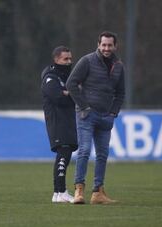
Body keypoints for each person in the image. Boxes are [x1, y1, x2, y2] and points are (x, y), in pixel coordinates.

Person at [66, 31, 125, 204]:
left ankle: (98, 193)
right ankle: (79, 191)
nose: (106, 48)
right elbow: (71, 83)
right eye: (104, 45)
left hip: (106, 117)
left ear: (115, 46)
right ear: (98, 44)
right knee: (84, 151)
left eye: (110, 45)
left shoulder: (119, 65)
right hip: (86, 115)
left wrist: (113, 112)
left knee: (103, 155)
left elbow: (121, 93)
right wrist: (84, 106)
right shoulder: (87, 61)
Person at [41, 46, 78, 203]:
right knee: (63, 153)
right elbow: (58, 97)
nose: (69, 62)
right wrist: (71, 93)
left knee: (65, 153)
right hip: (57, 121)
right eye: (65, 59)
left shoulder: (66, 76)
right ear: (56, 60)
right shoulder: (50, 78)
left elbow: (74, 92)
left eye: (70, 59)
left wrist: (68, 92)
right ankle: (61, 191)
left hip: (67, 120)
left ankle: (57, 193)